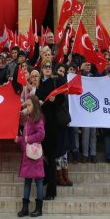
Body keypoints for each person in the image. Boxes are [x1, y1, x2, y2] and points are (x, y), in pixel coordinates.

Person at [35, 59, 64, 200]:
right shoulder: (39, 83)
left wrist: (55, 100)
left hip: (51, 125)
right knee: (40, 156)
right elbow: (37, 100)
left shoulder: (55, 81)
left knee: (51, 158)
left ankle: (51, 191)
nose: (48, 68)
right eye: (45, 66)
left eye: (49, 67)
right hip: (41, 124)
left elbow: (62, 99)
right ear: (42, 68)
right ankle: (46, 177)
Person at [15, 95, 45, 218]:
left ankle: (39, 208)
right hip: (28, 155)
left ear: (35, 105)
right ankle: (25, 208)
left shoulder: (38, 118)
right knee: (27, 181)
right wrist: (19, 139)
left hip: (34, 155)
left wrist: (28, 139)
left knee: (38, 181)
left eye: (29, 105)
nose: (27, 107)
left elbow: (41, 134)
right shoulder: (28, 118)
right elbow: (27, 136)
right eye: (26, 105)